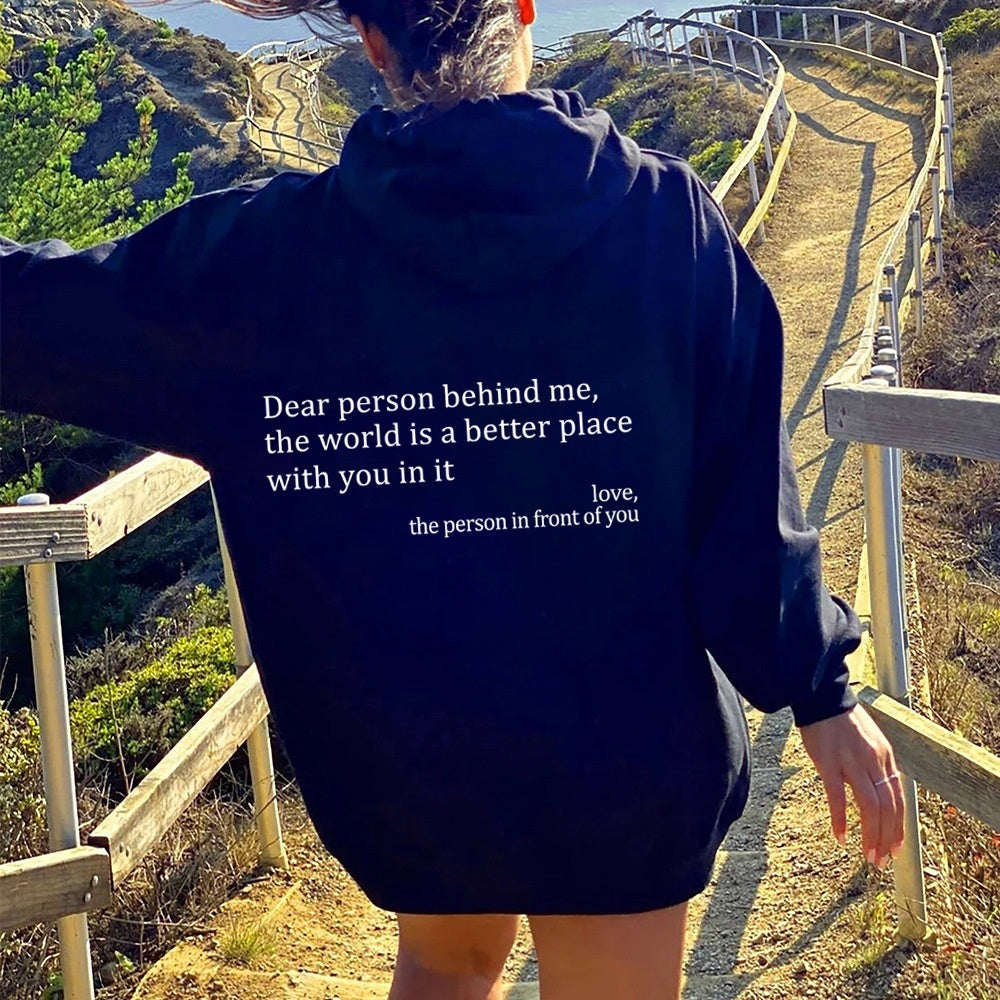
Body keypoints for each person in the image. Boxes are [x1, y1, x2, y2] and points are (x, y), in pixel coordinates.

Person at [1, 2, 905, 997]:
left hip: (412, 752)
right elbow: (738, 496)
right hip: (622, 751)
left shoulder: (263, 260)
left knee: (444, 962)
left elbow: (45, 313)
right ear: (521, 14)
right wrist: (818, 689)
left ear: (372, 45)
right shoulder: (661, 221)